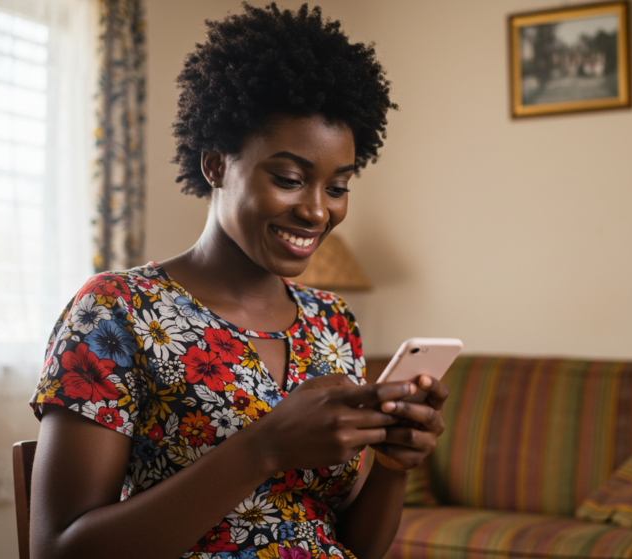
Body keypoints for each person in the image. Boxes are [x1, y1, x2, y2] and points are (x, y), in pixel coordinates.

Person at [28, 5, 447, 559]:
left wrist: (393, 466)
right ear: (216, 165)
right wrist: (263, 449)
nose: (318, 211)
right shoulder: (116, 311)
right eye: (290, 179)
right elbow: (58, 550)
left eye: (338, 186)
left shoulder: (332, 323)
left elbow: (349, 543)